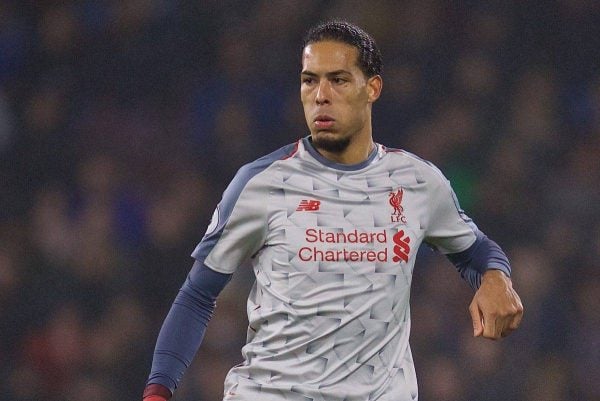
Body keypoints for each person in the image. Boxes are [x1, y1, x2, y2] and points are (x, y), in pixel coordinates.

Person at [142, 20, 523, 401]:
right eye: (310, 81)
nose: (321, 95)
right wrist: (158, 392)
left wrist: (496, 277)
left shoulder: (416, 182)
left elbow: (476, 252)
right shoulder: (262, 183)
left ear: (372, 88)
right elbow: (197, 295)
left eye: (338, 80)